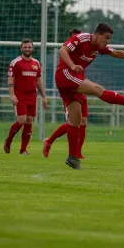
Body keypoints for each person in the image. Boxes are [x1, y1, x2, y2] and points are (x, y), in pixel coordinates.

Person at [55, 22, 124, 169]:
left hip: (69, 80)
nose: (107, 41)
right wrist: (72, 65)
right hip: (65, 74)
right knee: (97, 89)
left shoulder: (97, 47)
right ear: (97, 34)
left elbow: (115, 53)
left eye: (109, 39)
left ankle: (73, 158)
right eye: (106, 38)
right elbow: (62, 50)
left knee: (75, 121)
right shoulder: (81, 38)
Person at [42, 29, 89, 160]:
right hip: (70, 91)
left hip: (81, 89)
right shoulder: (66, 54)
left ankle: (78, 152)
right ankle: (49, 141)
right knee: (73, 122)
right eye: (74, 38)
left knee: (83, 121)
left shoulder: (83, 52)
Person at [3, 39, 48, 155]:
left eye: (29, 47)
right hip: (20, 95)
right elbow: (10, 80)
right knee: (21, 120)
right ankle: (8, 140)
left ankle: (23, 149)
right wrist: (12, 95)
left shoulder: (36, 63)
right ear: (21, 48)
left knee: (29, 121)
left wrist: (43, 97)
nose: (27, 49)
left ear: (32, 48)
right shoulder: (16, 62)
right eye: (25, 47)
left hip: (32, 96)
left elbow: (39, 82)